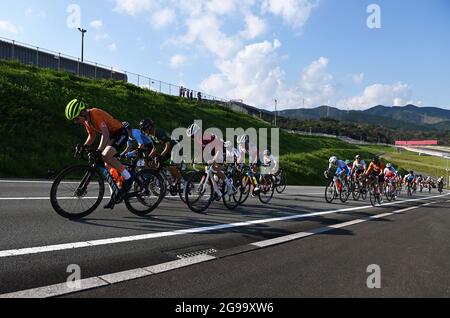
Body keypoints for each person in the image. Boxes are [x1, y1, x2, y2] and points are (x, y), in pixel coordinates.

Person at [65, 99, 132, 209]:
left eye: (76, 118)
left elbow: (104, 134)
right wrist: (84, 146)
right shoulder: (87, 121)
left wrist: (99, 150)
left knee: (106, 156)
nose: (76, 122)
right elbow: (92, 136)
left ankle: (128, 177)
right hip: (112, 136)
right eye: (74, 120)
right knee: (107, 166)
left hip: (120, 132)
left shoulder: (95, 113)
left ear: (82, 112)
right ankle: (114, 195)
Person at [186, 123, 233, 196]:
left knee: (216, 169)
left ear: (199, 132)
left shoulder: (208, 137)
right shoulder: (198, 139)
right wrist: (195, 159)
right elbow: (202, 151)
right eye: (191, 137)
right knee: (207, 169)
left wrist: (213, 160)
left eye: (193, 136)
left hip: (221, 148)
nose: (193, 138)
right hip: (212, 151)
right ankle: (215, 187)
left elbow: (219, 150)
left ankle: (229, 185)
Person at [140, 118, 184, 187]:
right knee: (157, 164)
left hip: (176, 148)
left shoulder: (158, 132)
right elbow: (154, 149)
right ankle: (168, 178)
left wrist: (161, 155)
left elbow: (168, 145)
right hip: (170, 149)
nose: (144, 131)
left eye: (144, 129)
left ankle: (183, 182)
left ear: (150, 127)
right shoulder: (152, 136)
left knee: (172, 167)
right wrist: (149, 157)